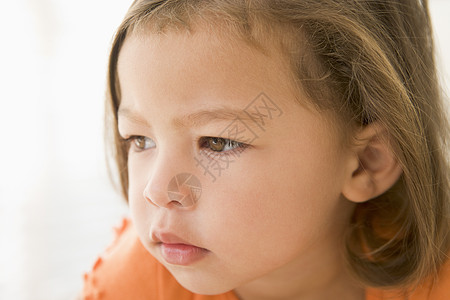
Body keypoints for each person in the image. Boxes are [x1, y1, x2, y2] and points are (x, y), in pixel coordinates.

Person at [81, 0, 450, 299]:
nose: (158, 191)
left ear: (366, 163)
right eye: (139, 139)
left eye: (218, 142)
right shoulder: (127, 289)